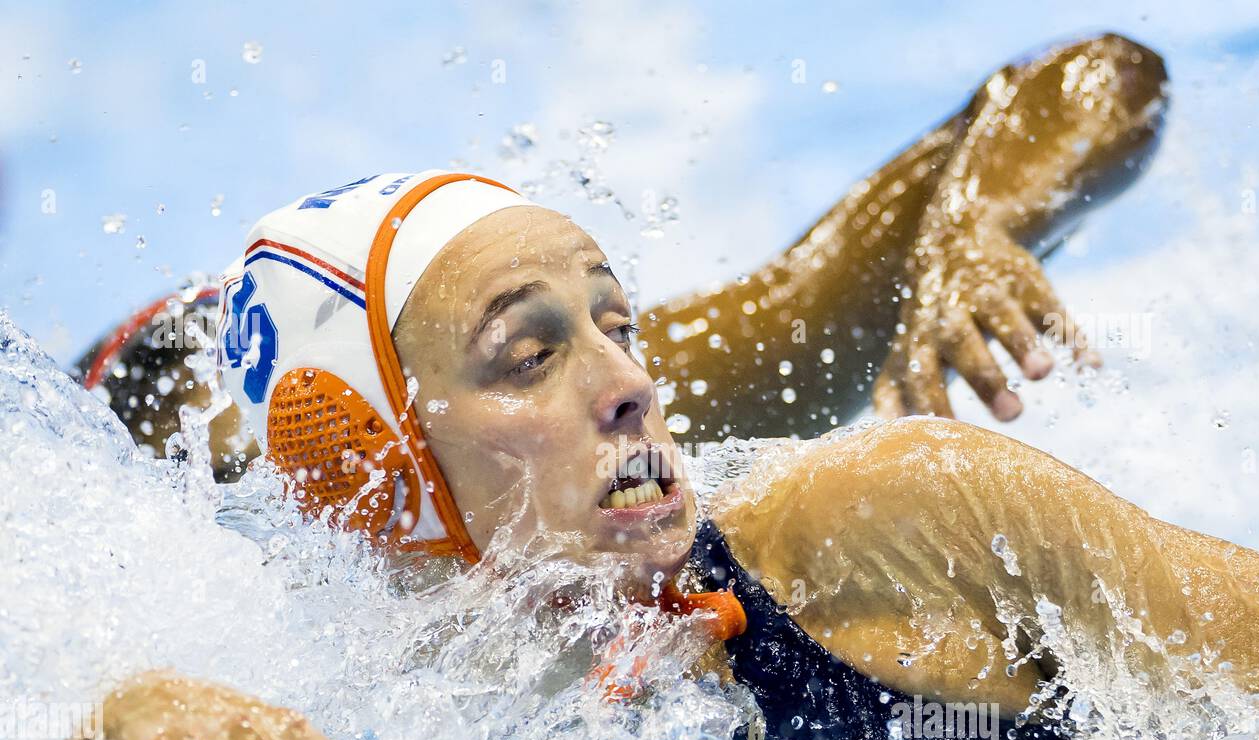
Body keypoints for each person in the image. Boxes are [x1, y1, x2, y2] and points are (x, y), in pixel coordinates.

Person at [17, 34, 1259, 740]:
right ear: (361, 466)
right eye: (531, 353)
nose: (632, 379)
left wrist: (979, 226)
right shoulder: (307, 666)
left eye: (618, 319)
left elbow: (1097, 68)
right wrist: (107, 735)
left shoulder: (871, 511)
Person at [75, 33, 1168, 477]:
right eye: (250, 479)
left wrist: (979, 225)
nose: (339, 485)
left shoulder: (608, 399)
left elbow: (1098, 73)